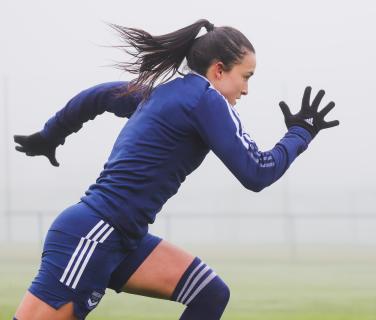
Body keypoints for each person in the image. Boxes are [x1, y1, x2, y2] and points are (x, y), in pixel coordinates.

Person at [12, 19, 339, 320]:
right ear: (219, 70)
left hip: (124, 238)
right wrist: (300, 134)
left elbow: (99, 96)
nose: (246, 90)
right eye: (246, 77)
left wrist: (51, 134)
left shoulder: (164, 92)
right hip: (94, 234)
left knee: (209, 293)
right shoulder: (204, 100)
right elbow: (257, 173)